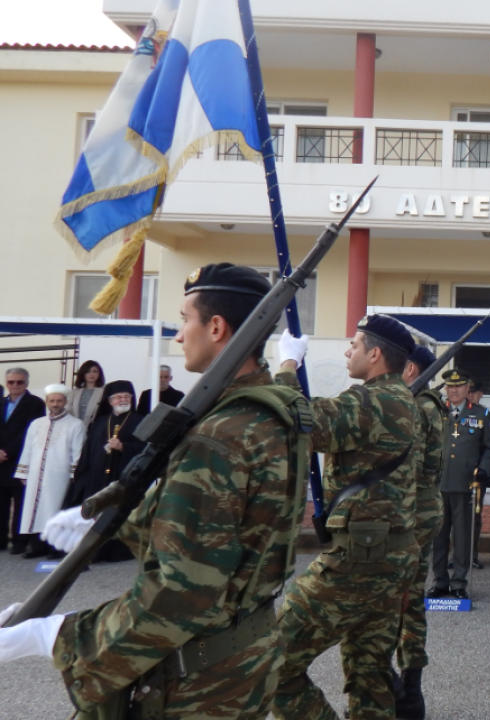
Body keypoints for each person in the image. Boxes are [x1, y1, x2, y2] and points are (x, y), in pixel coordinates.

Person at [0, 263, 311, 717]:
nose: (180, 335)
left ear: (218, 326)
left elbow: (180, 594)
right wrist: (120, 519)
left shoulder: (218, 435)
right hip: (244, 657)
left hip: (194, 682)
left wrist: (56, 637)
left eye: (185, 319)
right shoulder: (275, 411)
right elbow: (234, 523)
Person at [271, 313, 421, 720]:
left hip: (359, 559)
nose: (346, 350)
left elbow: (299, 422)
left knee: (269, 659)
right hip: (391, 556)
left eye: (353, 344)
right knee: (370, 672)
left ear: (374, 354)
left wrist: (287, 365)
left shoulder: (373, 400)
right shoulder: (401, 399)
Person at [393, 345, 446, 719]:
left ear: (411, 368)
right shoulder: (433, 404)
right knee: (411, 600)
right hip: (426, 509)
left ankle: (395, 690)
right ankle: (410, 692)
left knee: (393, 599)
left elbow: (404, 466)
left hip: (409, 511)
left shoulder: (416, 407)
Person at [428, 369, 490, 600]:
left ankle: (459, 583)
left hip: (466, 485)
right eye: (450, 386)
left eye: (458, 386)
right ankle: (439, 581)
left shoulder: (483, 415)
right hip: (438, 486)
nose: (454, 390)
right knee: (438, 538)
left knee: (462, 537)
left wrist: (484, 471)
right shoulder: (436, 414)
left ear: (467, 389)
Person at [64, 379, 145, 563]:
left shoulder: (139, 421)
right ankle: (95, 551)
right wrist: (81, 473)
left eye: (126, 396)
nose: (122, 400)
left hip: (122, 476)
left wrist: (124, 447)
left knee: (118, 515)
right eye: (118, 397)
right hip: (98, 478)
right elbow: (88, 450)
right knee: (97, 516)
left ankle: (118, 552)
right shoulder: (100, 422)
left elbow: (145, 448)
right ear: (110, 401)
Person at [13, 384, 85, 559]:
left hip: (59, 475)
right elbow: (27, 449)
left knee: (54, 509)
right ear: (47, 402)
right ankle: (37, 546)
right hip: (36, 474)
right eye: (52, 401)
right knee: (34, 510)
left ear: (65, 402)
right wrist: (23, 472)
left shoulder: (76, 425)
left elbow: (79, 451)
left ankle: (55, 548)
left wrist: (73, 475)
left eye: (59, 401)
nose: (55, 404)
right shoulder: (36, 424)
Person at [0, 367, 46, 554]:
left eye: (19, 382)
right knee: (1, 503)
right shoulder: (1, 402)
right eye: (11, 382)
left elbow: (30, 432)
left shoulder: (35, 403)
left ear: (26, 383)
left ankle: (19, 541)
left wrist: (7, 452)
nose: (15, 386)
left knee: (20, 503)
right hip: (0, 461)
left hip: (20, 459)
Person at [467, 379, 490, 569]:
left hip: (476, 476)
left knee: (473, 516)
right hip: (454, 473)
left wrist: (487, 473)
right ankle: (455, 555)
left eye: (473, 392)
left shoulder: (487, 417)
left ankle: (471, 554)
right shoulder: (451, 414)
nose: (470, 396)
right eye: (468, 392)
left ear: (481, 394)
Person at [66, 359, 105, 429]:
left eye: (95, 371)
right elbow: (68, 410)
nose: (91, 374)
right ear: (83, 374)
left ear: (99, 374)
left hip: (95, 428)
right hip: (75, 428)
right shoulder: (74, 392)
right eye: (88, 372)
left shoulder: (103, 392)